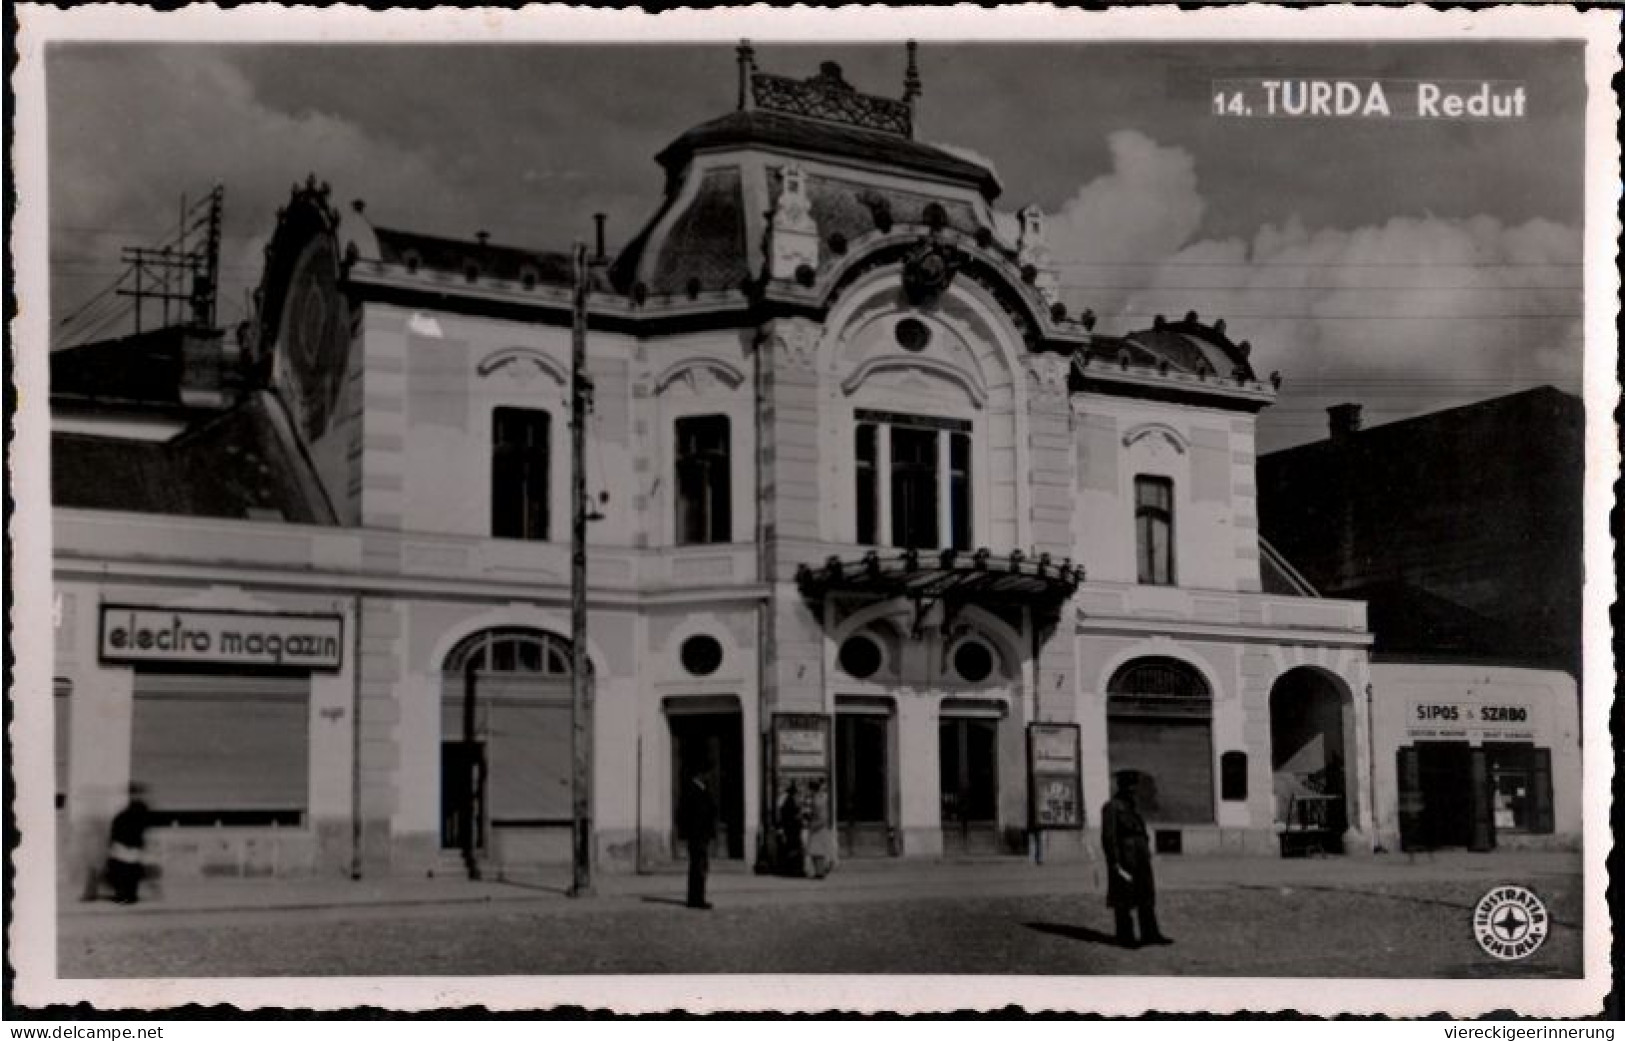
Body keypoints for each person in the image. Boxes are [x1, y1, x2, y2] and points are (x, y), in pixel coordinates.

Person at [1101, 771, 1170, 947]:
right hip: (1125, 859)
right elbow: (1109, 837)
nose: (1133, 791)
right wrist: (1114, 862)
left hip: (1140, 858)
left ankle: (1151, 934)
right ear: (1122, 787)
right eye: (1130, 787)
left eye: (1134, 787)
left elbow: (1141, 833)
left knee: (1146, 895)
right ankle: (1125, 937)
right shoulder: (1111, 807)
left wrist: (1146, 850)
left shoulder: (1133, 808)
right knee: (1124, 898)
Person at [105, 784, 152, 905]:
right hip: (128, 844)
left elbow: (135, 825)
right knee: (128, 870)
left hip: (126, 843)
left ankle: (126, 895)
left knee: (124, 870)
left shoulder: (136, 810)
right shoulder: (138, 809)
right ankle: (129, 894)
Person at [678, 771, 717, 909]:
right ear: (700, 775)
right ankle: (696, 899)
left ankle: (696, 898)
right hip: (698, 836)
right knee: (698, 868)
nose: (708, 776)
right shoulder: (693, 791)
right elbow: (692, 816)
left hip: (700, 836)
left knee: (699, 867)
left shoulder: (701, 790)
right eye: (706, 774)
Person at [804, 778, 835, 880]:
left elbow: (822, 816)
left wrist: (813, 825)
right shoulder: (818, 798)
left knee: (817, 851)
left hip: (818, 828)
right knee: (815, 851)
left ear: (813, 789)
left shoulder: (818, 799)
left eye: (809, 789)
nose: (808, 791)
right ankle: (819, 871)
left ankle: (820, 872)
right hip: (817, 827)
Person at [777, 781, 805, 877]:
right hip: (792, 830)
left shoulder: (787, 801)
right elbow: (791, 817)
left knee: (791, 849)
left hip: (790, 830)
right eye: (796, 793)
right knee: (793, 849)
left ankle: (792, 870)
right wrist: (798, 818)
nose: (797, 795)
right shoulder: (790, 802)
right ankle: (794, 870)